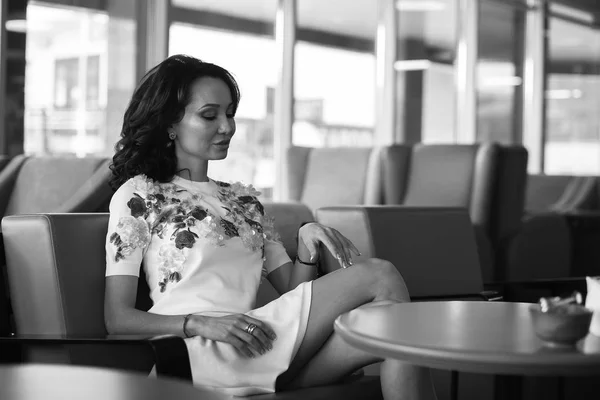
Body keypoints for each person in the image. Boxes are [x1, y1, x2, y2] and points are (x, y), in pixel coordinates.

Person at [104, 54, 437, 400]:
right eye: (209, 115)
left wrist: (306, 243)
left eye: (230, 113)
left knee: (397, 331)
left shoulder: (244, 200)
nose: (227, 126)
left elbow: (292, 295)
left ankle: (275, 375)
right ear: (170, 124)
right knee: (380, 276)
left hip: (257, 340)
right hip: (195, 351)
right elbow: (118, 319)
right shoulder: (139, 194)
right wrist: (200, 322)